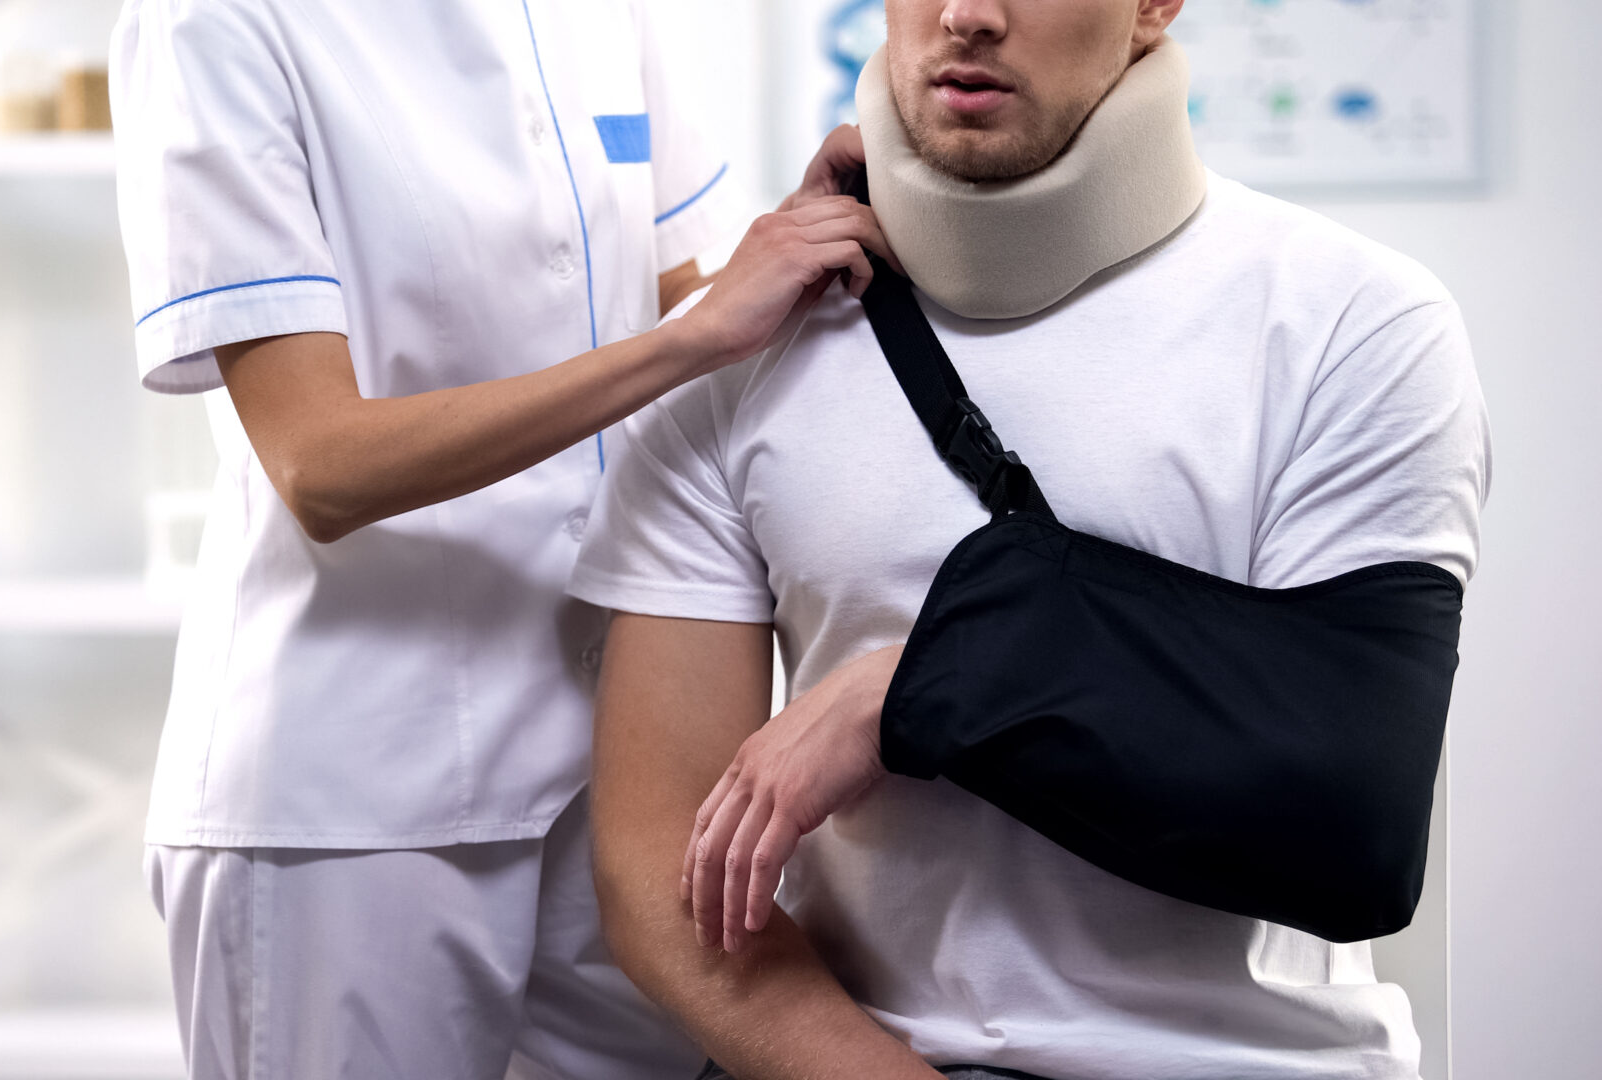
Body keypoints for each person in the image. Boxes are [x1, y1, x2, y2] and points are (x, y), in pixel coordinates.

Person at [570, 0, 1492, 1077]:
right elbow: (657, 879)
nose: (969, 15)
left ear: (1154, 8)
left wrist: (909, 689)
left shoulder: (1353, 325)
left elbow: (1352, 819)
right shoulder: (740, 354)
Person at [107, 2, 895, 1077]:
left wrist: (804, 242)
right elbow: (318, 465)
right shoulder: (219, 21)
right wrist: (694, 334)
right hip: (357, 799)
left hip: (614, 771)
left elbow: (681, 306)